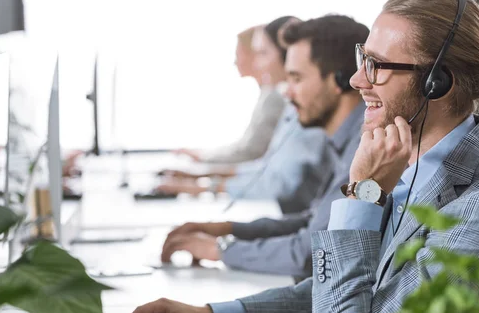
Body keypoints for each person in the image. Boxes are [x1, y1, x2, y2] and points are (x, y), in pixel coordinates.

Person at [115, 0, 479, 313]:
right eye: (361, 57)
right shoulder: (414, 168)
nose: (356, 80)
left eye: (377, 66)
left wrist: (361, 196)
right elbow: (349, 287)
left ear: (436, 83)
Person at [161, 14, 370, 279]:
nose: (286, 92)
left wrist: (222, 249)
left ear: (341, 80)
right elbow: (313, 221)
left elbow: (309, 252)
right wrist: (228, 229)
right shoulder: (344, 141)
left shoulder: (365, 147)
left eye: (296, 78)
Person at [157, 16, 339, 214]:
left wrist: (203, 184)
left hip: (291, 215)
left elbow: (276, 179)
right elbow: (267, 167)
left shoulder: (306, 110)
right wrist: (200, 177)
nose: (257, 63)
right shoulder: (289, 104)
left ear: (287, 56)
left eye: (262, 54)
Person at [176, 21, 289, 164]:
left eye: (238, 54)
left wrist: (204, 160)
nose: (235, 61)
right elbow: (245, 146)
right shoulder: (268, 94)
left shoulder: (275, 97)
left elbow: (251, 152)